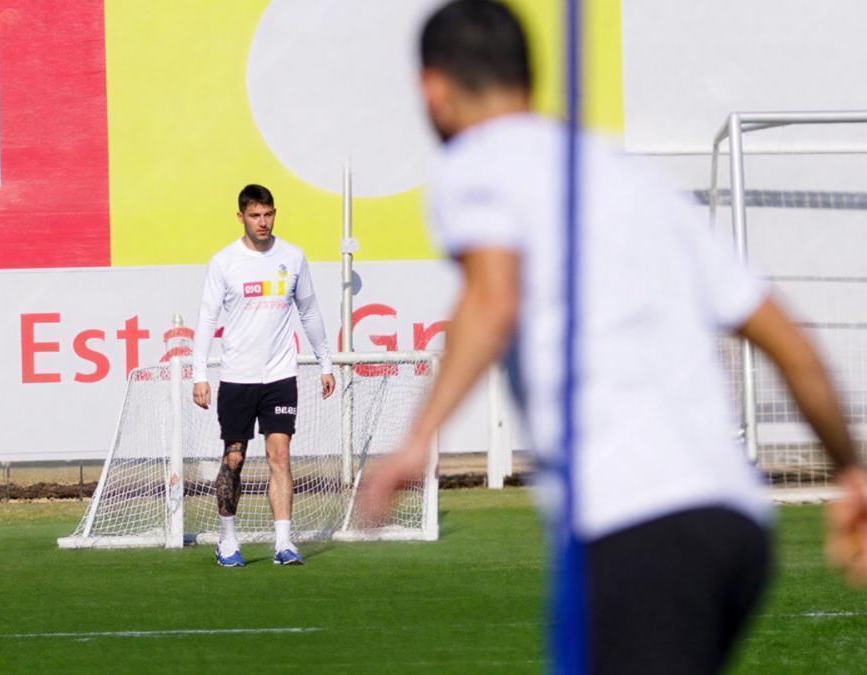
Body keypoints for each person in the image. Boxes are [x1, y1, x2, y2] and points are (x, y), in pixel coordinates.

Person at [357, 1, 867, 672]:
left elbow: (493, 297)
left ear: (433, 89)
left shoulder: (476, 162)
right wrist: (850, 470)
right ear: (529, 77)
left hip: (638, 523)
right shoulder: (636, 182)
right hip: (737, 527)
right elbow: (789, 342)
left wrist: (416, 439)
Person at [192, 184, 336, 567]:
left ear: (275, 214)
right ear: (241, 216)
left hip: (280, 376)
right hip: (237, 377)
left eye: (268, 214)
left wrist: (325, 362)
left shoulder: (293, 256)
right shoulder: (224, 262)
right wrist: (199, 373)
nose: (263, 222)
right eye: (255, 215)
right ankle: (227, 541)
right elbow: (206, 318)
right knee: (234, 458)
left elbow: (309, 311)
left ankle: (284, 544)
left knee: (280, 456)